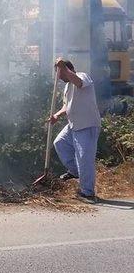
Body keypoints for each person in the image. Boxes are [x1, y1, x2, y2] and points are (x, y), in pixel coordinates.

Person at [49, 58, 101, 203]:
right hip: (73, 125)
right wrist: (57, 115)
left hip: (87, 125)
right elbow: (67, 106)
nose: (58, 77)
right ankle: (75, 171)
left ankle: (87, 193)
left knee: (84, 158)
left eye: (59, 73)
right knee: (60, 143)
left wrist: (63, 67)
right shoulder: (67, 87)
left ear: (68, 69)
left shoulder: (82, 76)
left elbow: (78, 82)